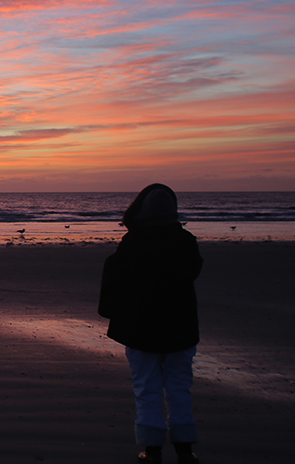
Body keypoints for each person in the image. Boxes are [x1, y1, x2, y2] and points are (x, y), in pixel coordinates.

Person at [99, 184, 203, 464]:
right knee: (180, 385)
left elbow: (114, 280)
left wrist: (110, 311)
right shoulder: (185, 240)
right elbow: (193, 272)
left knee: (146, 386)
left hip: (140, 326)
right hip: (180, 325)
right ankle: (184, 448)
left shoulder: (133, 242)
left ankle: (152, 448)